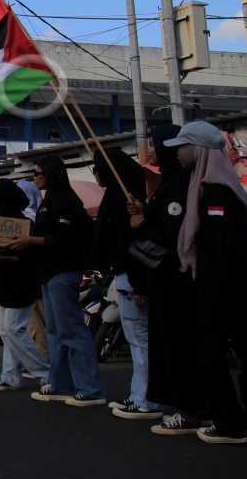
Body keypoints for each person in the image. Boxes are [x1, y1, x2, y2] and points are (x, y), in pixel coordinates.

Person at [166, 121, 247, 445]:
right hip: (243, 291)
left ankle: (231, 422)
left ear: (199, 150)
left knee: (210, 354)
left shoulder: (214, 192)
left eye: (182, 146)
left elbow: (218, 250)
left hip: (226, 292)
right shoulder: (220, 187)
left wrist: (208, 295)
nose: (177, 153)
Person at [7, 155, 106, 406]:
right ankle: (62, 382)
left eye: (38, 173)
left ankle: (90, 387)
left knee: (72, 330)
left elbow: (63, 238)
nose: (34, 177)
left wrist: (31, 241)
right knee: (54, 332)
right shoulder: (46, 202)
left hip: (64, 272)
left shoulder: (66, 202)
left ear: (50, 174)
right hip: (48, 273)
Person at [128, 124, 206, 436]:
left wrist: (143, 221)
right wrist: (143, 213)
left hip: (176, 279)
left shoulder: (180, 184)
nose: (148, 150)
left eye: (153, 144)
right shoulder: (170, 182)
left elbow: (170, 230)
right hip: (166, 278)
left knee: (180, 345)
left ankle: (191, 410)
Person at [91, 148, 163, 420]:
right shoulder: (118, 195)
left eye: (99, 167)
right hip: (125, 274)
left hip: (134, 276)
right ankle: (139, 394)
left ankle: (147, 398)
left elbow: (132, 244)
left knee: (140, 337)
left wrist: (139, 283)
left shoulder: (128, 198)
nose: (97, 174)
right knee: (136, 337)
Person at [0, 178, 49, 392]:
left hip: (20, 282)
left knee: (14, 329)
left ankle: (45, 373)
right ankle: (10, 376)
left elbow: (23, 258)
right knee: (5, 330)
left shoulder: (23, 222)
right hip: (4, 281)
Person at [16, 179, 48, 362]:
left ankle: (45, 362)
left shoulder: (26, 221)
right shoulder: (40, 216)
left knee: (35, 326)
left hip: (33, 280)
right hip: (41, 279)